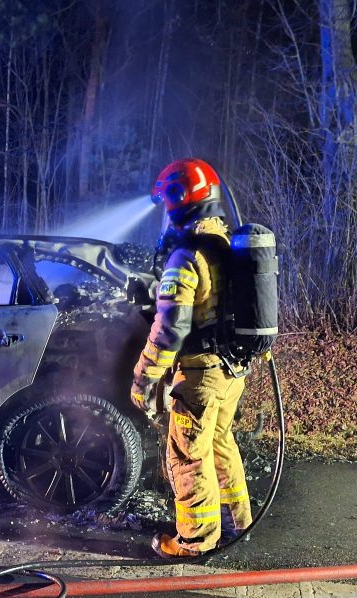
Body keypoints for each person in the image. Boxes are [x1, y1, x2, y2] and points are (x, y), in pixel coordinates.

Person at [131, 158, 251, 557]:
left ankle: (195, 541)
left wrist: (144, 378)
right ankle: (237, 523)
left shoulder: (187, 256)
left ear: (180, 199)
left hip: (200, 376)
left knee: (187, 456)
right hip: (231, 371)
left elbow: (170, 330)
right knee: (220, 444)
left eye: (168, 201)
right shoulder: (225, 244)